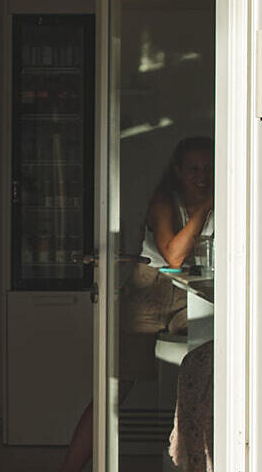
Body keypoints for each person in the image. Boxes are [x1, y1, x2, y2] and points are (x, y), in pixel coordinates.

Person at [59, 136, 213, 472]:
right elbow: (173, 255)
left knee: (208, 367)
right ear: (178, 171)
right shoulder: (165, 202)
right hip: (148, 293)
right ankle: (69, 467)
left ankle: (193, 458)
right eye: (193, 170)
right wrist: (203, 207)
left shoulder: (224, 202)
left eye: (208, 168)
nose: (202, 176)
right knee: (114, 390)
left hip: (191, 294)